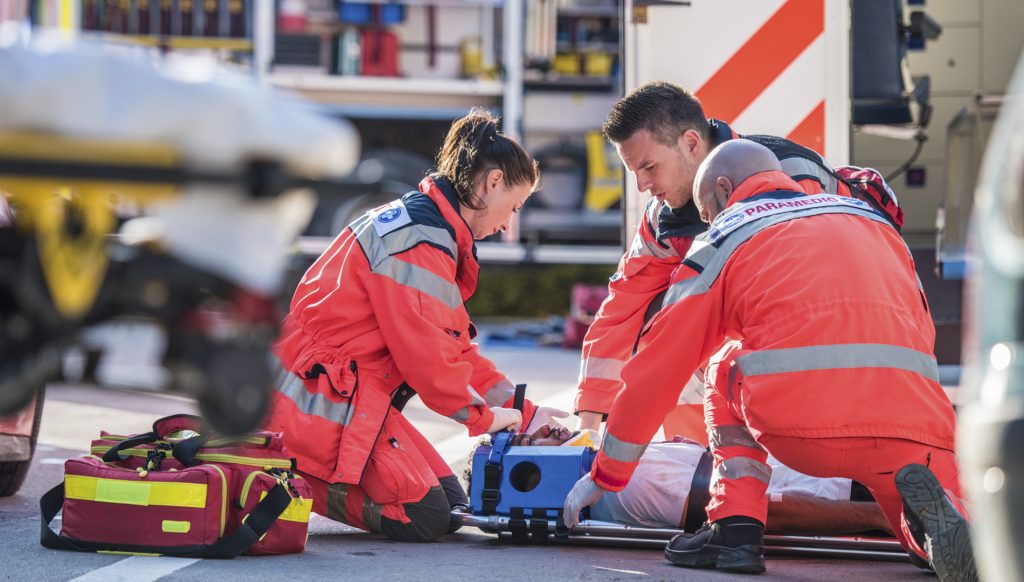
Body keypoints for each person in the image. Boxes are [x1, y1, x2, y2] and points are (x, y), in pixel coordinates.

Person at [564, 139, 975, 582]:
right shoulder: (869, 219)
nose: (707, 222)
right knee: (915, 517)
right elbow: (921, 329)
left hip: (803, 428)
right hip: (916, 426)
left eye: (706, 211)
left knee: (724, 363)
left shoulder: (727, 232)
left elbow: (661, 364)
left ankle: (734, 530)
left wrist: (607, 474)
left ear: (723, 190)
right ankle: (939, 531)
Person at [265, 109, 567, 543]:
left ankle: (302, 462)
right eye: (513, 207)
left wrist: (527, 414)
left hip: (341, 395)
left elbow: (454, 349)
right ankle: (292, 471)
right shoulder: (420, 241)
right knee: (425, 516)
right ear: (493, 182)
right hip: (318, 402)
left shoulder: (429, 229)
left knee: (451, 506)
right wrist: (485, 418)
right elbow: (432, 364)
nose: (507, 225)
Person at [574, 82, 903, 445]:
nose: (641, 185)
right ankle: (697, 464)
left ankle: (803, 463)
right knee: (663, 326)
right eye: (634, 171)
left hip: (842, 342)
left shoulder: (790, 176)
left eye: (649, 167)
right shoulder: (662, 218)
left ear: (691, 143)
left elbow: (811, 298)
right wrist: (588, 428)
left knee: (696, 332)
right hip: (789, 343)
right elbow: (622, 309)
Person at [497, 426, 890, 535]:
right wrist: (877, 516)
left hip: (839, 470)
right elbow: (757, 513)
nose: (548, 426)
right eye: (534, 440)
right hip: (843, 489)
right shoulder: (624, 487)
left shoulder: (614, 463)